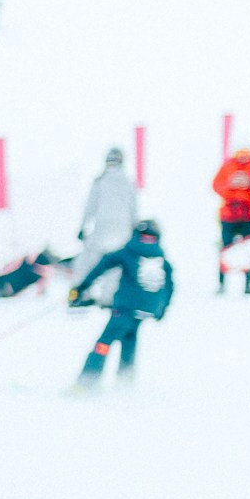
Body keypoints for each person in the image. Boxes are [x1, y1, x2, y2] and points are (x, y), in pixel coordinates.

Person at [69, 219, 174, 388]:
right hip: (148, 309)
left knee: (105, 341)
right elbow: (169, 285)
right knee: (129, 338)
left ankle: (87, 381)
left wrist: (81, 288)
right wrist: (163, 309)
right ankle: (125, 380)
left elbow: (102, 265)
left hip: (126, 307)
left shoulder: (128, 252)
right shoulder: (161, 258)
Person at [70, 147, 138, 307]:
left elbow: (90, 207)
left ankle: (82, 294)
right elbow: (134, 209)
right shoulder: (128, 182)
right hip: (122, 233)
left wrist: (82, 227)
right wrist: (134, 229)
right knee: (115, 266)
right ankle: (109, 298)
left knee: (87, 262)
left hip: (101, 230)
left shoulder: (100, 181)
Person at [212, 148, 250, 293]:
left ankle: (248, 284)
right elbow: (217, 186)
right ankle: (222, 283)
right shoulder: (227, 168)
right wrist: (232, 188)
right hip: (229, 215)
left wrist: (247, 190)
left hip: (247, 215)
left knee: (248, 249)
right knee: (226, 249)